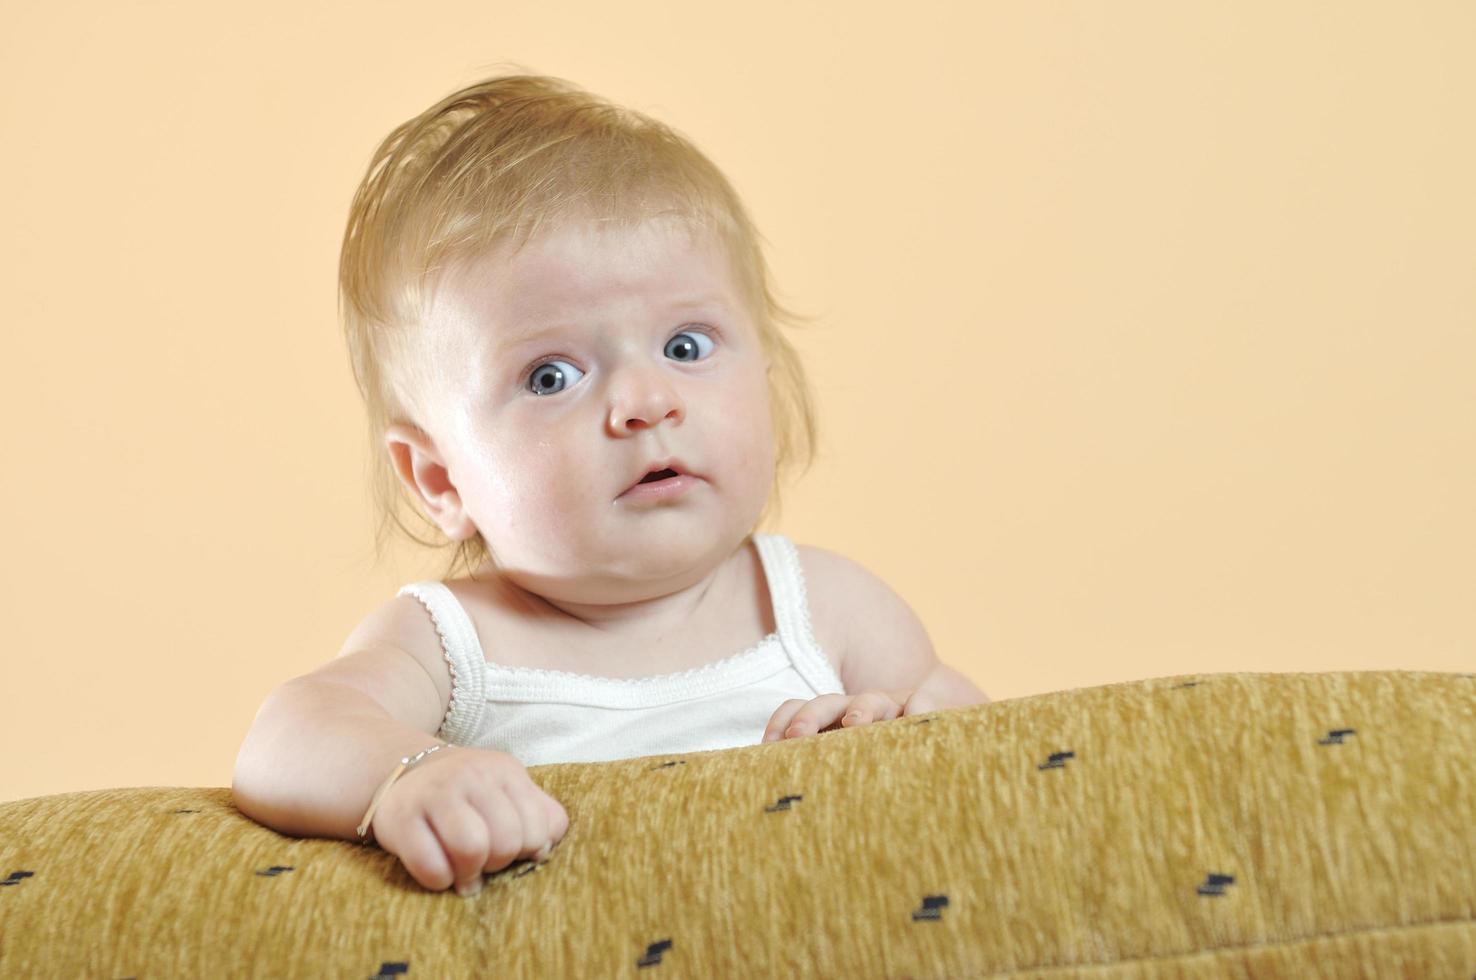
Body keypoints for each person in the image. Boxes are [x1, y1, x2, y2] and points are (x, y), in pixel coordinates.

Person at [231, 71, 989, 899]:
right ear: (441, 479)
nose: (645, 402)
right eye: (553, 376)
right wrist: (410, 775)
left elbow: (989, 768)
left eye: (687, 347)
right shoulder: (452, 647)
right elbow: (285, 739)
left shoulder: (828, 610)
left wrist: (913, 729)